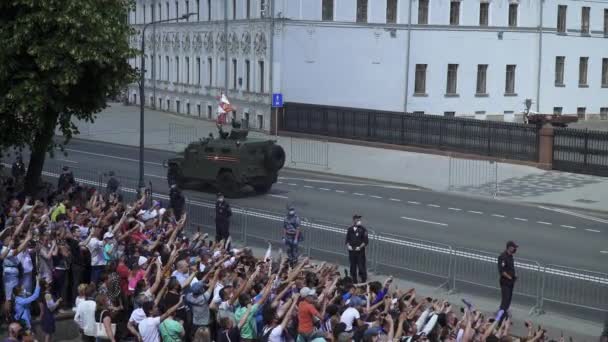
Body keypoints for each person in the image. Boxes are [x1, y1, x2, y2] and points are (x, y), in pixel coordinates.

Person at [345, 214, 369, 284]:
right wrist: (348, 246)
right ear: (354, 220)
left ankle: (363, 279)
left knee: (361, 266)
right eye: (357, 219)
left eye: (359, 219)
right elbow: (347, 240)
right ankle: (354, 280)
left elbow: (365, 241)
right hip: (352, 251)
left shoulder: (363, 230)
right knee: (352, 266)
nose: (359, 221)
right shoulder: (350, 229)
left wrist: (360, 247)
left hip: (360, 252)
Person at [498, 240, 518, 313]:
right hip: (505, 282)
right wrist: (509, 277)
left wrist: (514, 275)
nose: (515, 249)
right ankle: (501, 314)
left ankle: (505, 311)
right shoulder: (502, 257)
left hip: (510, 281)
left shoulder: (510, 256)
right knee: (505, 299)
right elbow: (502, 271)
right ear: (509, 248)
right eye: (514, 247)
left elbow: (510, 268)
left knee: (509, 298)